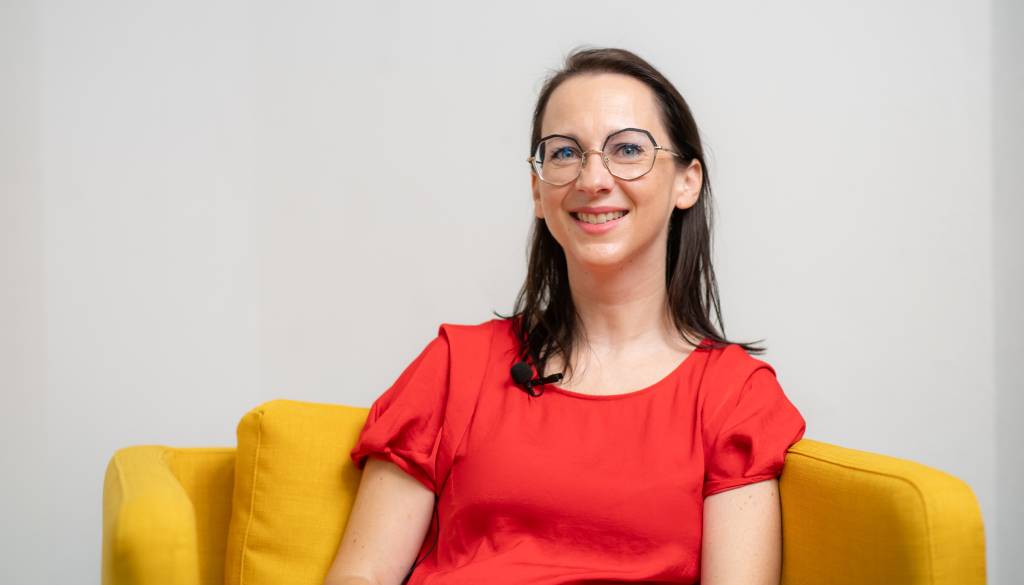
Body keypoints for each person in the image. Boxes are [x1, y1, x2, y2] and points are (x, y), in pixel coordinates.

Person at [324, 47, 806, 585]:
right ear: (537, 189)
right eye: (565, 153)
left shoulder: (734, 395)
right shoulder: (456, 365)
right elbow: (361, 576)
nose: (592, 179)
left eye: (628, 149)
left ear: (686, 182)